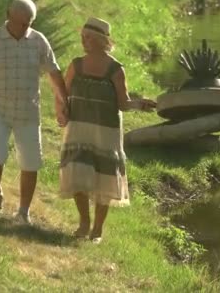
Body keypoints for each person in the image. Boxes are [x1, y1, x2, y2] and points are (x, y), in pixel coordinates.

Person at [0, 0, 68, 224]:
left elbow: (54, 74)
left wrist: (64, 102)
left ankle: (23, 212)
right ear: (9, 16)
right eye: (22, 23)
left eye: (29, 23)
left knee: (31, 160)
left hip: (27, 109)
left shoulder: (38, 41)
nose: (26, 28)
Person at [60, 17, 156, 242]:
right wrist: (61, 112)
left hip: (106, 131)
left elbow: (123, 103)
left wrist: (140, 104)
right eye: (83, 36)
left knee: (104, 178)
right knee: (77, 172)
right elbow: (62, 95)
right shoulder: (76, 65)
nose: (84, 41)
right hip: (79, 128)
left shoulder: (116, 69)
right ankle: (84, 223)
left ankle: (98, 229)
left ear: (102, 41)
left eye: (89, 37)